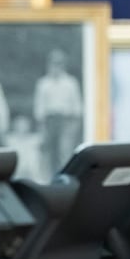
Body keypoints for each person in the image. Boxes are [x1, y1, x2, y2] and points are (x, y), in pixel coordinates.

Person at [33, 48, 83, 179]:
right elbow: (39, 105)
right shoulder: (43, 83)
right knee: (47, 152)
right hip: (49, 120)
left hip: (66, 120)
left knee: (64, 151)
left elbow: (76, 104)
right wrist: (41, 124)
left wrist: (75, 123)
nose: (56, 66)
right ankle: (46, 179)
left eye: (59, 63)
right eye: (53, 63)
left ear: (63, 65)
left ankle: (64, 178)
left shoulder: (70, 83)